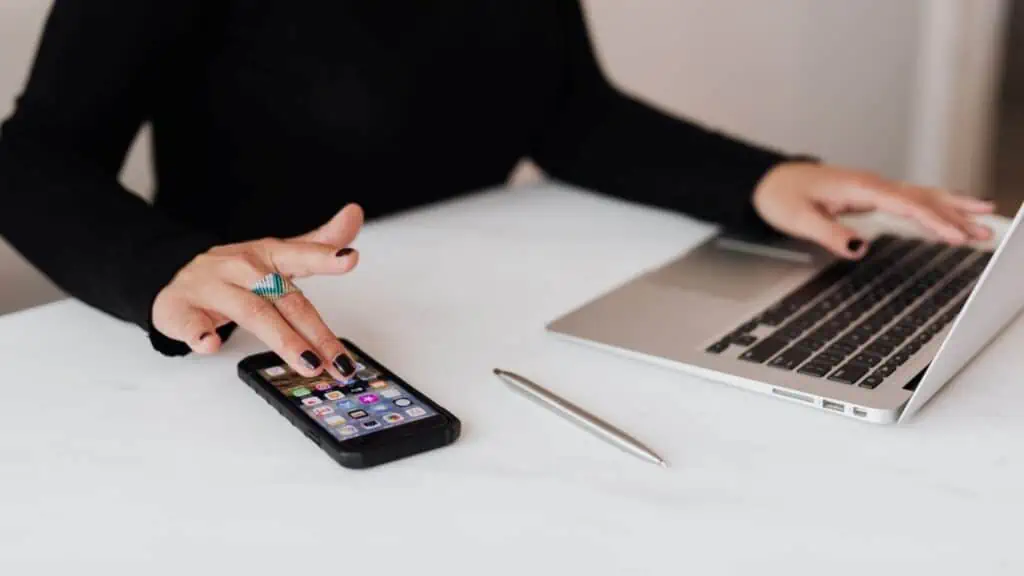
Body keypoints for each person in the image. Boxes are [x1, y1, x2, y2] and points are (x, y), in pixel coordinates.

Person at [0, 0, 993, 381]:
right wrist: (164, 269)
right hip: (266, 349)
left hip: (490, 331)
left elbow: (565, 112)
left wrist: (768, 178)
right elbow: (31, 159)